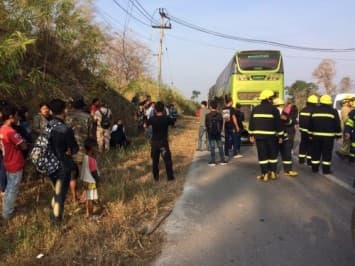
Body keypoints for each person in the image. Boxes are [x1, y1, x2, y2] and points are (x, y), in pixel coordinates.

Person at [47, 99, 78, 224]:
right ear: (64, 110)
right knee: (60, 194)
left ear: (51, 111)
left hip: (49, 163)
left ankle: (52, 212)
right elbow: (75, 148)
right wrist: (70, 151)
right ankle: (56, 221)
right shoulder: (65, 129)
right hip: (62, 165)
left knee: (57, 190)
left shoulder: (48, 125)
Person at [0, 104, 28, 219]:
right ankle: (7, 213)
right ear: (10, 116)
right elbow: (24, 146)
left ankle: (8, 207)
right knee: (13, 188)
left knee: (9, 186)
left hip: (7, 161)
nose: (18, 118)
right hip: (15, 162)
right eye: (16, 116)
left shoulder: (1, 129)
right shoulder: (10, 131)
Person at [249, 90, 283, 181]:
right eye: (271, 98)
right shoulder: (274, 109)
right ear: (268, 99)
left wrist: (251, 134)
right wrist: (280, 136)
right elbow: (278, 124)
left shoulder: (255, 109)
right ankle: (273, 173)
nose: (272, 100)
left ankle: (264, 174)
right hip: (271, 137)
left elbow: (251, 123)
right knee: (272, 155)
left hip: (259, 137)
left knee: (262, 155)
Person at [65, 95, 93, 204]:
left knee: (72, 176)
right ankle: (85, 196)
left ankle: (73, 198)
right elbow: (90, 137)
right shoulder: (88, 117)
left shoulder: (66, 117)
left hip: (69, 151)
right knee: (86, 175)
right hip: (82, 151)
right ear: (83, 106)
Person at [308, 94, 342, 174]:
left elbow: (310, 123)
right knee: (327, 153)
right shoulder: (333, 111)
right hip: (328, 137)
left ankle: (314, 169)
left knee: (315, 152)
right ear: (329, 102)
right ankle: (326, 170)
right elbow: (337, 123)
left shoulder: (315, 110)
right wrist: (338, 134)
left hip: (316, 136)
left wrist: (310, 134)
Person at [144, 101, 175, 181]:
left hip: (154, 143)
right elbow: (173, 124)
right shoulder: (166, 118)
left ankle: (156, 178)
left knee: (155, 161)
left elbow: (145, 125)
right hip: (163, 143)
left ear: (155, 109)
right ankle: (170, 177)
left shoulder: (152, 118)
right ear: (164, 109)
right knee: (167, 160)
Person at [273, 98, 298, 177]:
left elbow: (293, 121)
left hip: (286, 136)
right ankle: (273, 171)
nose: (280, 107)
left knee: (287, 153)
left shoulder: (286, 113)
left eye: (280, 105)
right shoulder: (273, 113)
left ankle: (288, 170)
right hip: (276, 136)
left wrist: (286, 119)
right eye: (278, 106)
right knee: (273, 154)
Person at [80, 138, 100, 220]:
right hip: (91, 181)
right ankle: (91, 216)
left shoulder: (85, 157)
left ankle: (87, 214)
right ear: (92, 148)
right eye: (96, 146)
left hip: (86, 181)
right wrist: (97, 180)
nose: (97, 147)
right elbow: (94, 172)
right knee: (91, 199)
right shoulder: (91, 160)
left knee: (88, 198)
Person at [298, 95, 318, 165]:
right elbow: (314, 122)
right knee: (311, 145)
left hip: (303, 131)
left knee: (303, 144)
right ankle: (309, 160)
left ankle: (301, 159)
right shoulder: (315, 111)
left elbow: (300, 121)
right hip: (311, 132)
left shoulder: (303, 110)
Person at [205, 100, 227, 166]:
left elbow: (206, 125)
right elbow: (221, 123)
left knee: (212, 147)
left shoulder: (207, 115)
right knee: (220, 146)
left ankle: (213, 161)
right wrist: (220, 131)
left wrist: (208, 132)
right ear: (216, 107)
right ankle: (223, 160)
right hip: (218, 133)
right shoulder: (220, 115)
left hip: (211, 133)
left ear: (210, 107)